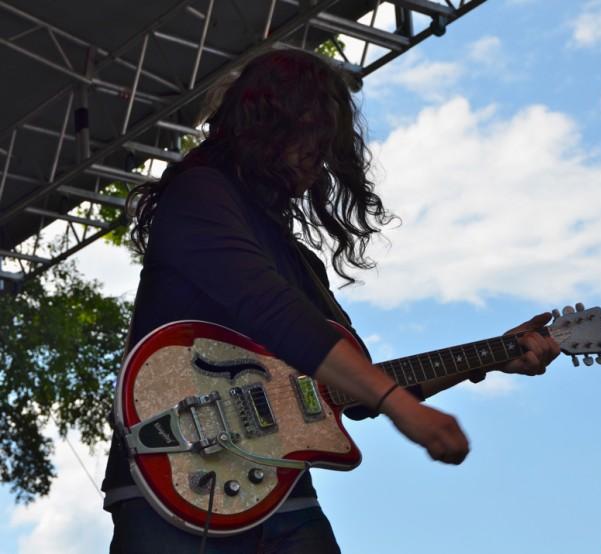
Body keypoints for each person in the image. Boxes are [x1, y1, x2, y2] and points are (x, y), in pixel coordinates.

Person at [102, 47, 560, 554]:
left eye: (324, 146)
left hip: (280, 491)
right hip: (174, 472)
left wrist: (494, 355)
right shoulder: (199, 197)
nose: (317, 161)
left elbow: (355, 384)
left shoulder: (299, 261)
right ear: (267, 125)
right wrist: (401, 408)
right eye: (310, 140)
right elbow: (273, 312)